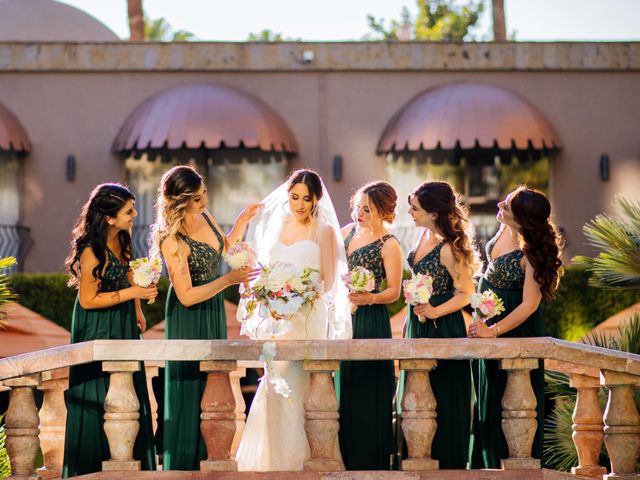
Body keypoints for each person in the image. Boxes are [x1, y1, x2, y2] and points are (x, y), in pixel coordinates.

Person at [236, 169, 351, 471]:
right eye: (294, 197)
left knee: (303, 388)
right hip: (277, 318)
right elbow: (266, 268)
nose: (299, 204)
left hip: (306, 316)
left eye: (306, 199)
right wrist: (269, 295)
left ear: (316, 200)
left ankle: (306, 462)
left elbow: (327, 282)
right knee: (275, 384)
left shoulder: (323, 230)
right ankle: (273, 463)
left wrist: (295, 294)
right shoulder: (278, 224)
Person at [150, 165, 260, 471]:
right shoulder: (170, 238)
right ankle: (185, 465)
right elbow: (185, 295)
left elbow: (224, 249)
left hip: (211, 310)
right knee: (190, 390)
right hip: (189, 314)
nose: (204, 201)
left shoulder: (205, 216)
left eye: (204, 194)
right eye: (197, 198)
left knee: (214, 384)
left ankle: (213, 459)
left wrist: (242, 222)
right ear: (179, 201)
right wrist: (228, 281)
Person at [62, 183, 157, 477]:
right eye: (129, 211)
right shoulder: (91, 251)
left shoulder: (123, 239)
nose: (135, 214)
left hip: (123, 322)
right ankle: (92, 465)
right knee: (100, 395)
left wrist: (139, 308)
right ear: (109, 217)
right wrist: (132, 297)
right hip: (98, 326)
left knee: (128, 394)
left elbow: (128, 276)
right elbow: (88, 301)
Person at [468, 186, 563, 468]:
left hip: (515, 331)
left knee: (507, 407)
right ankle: (486, 466)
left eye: (506, 205)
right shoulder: (502, 232)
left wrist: (493, 330)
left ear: (521, 220)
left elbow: (529, 305)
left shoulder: (531, 254)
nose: (499, 203)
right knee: (487, 405)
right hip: (490, 326)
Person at [401, 181, 480, 468]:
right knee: (414, 400)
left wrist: (434, 312)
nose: (409, 211)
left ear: (434, 213)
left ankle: (449, 466)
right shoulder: (422, 234)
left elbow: (466, 293)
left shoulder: (449, 249)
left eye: (415, 208)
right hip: (418, 323)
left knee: (443, 400)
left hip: (442, 326)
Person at [338, 181, 403, 471]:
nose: (359, 213)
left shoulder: (389, 245)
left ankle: (371, 462)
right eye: (357, 207)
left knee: (368, 390)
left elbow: (394, 292)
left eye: (367, 209)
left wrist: (368, 299)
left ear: (383, 212)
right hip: (343, 318)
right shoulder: (346, 233)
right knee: (345, 389)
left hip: (371, 320)